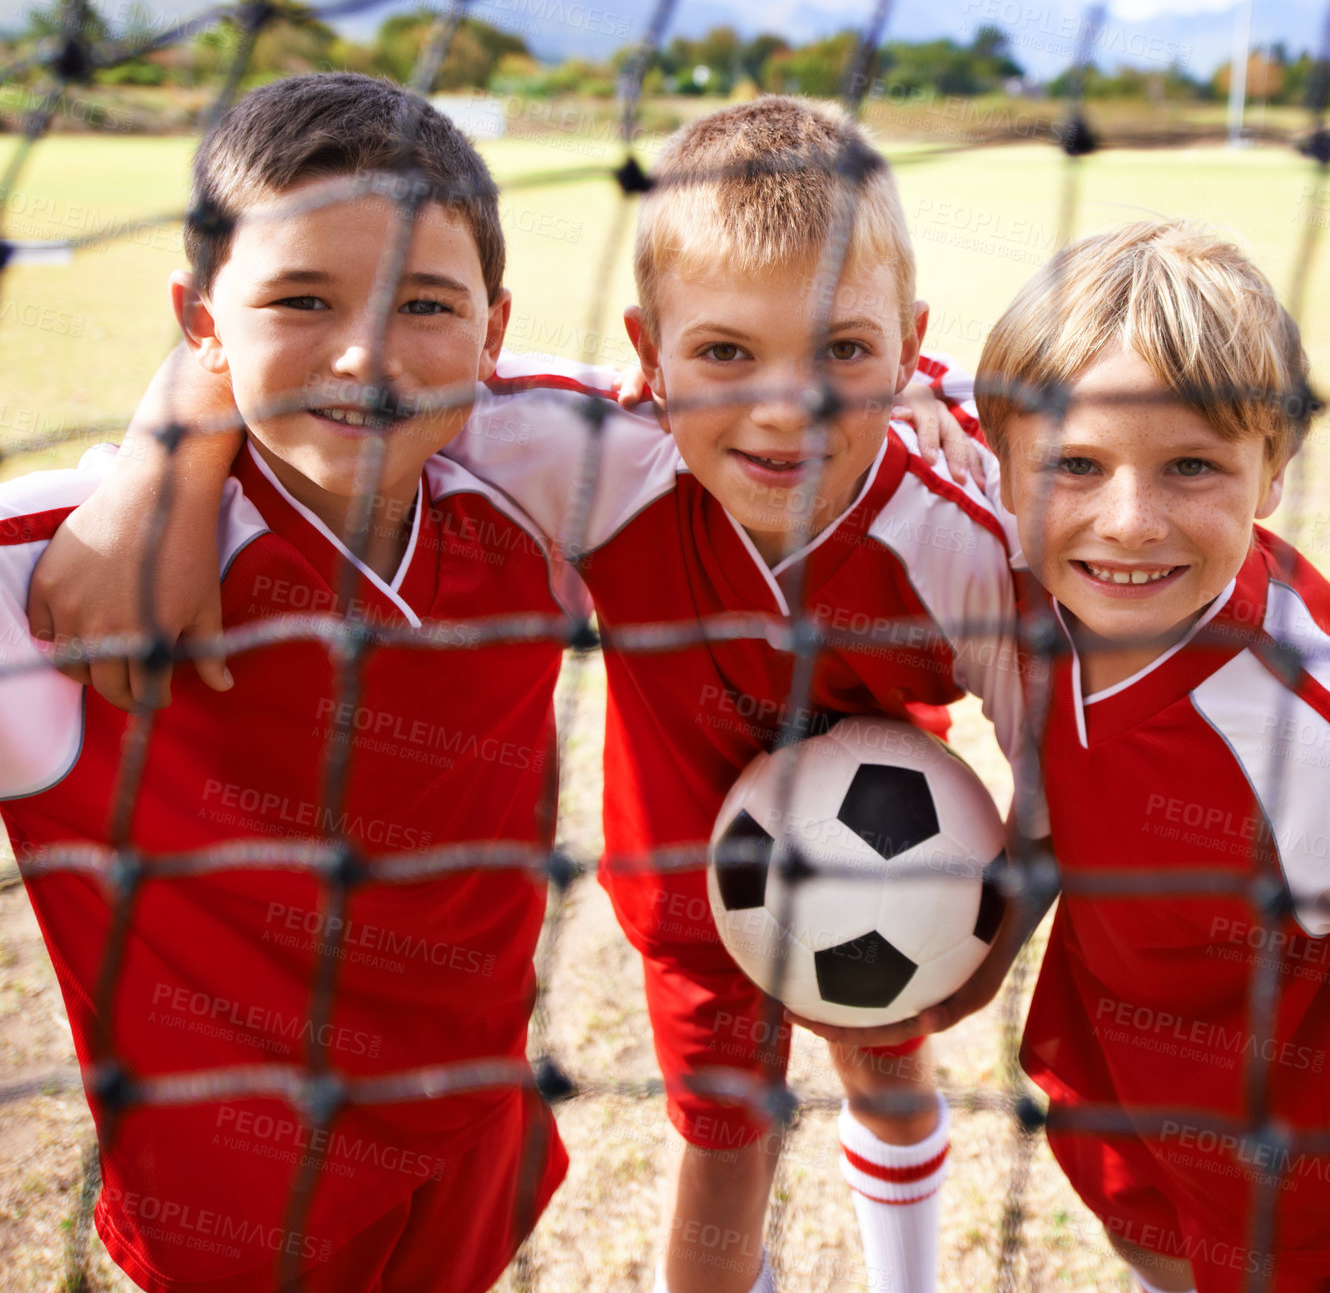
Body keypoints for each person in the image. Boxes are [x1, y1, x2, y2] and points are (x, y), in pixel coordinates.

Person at [32, 96, 1049, 1293]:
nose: (787, 408)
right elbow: (353, 375)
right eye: (725, 354)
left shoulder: (968, 541)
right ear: (651, 359)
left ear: (905, 342)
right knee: (725, 1133)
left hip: (890, 844)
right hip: (681, 857)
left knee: (885, 1065)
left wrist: (981, 953)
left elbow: (1053, 773)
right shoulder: (589, 452)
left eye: (845, 354)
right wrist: (162, 452)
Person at [2, 72, 569, 1292]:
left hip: (475, 1137)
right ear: (198, 318)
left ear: (494, 324)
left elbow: (790, 388)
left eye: (425, 304)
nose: (368, 356)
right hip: (233, 1215)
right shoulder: (53, 578)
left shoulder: (544, 483)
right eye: (300, 297)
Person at [972, 218, 1330, 1292]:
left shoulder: (1316, 734)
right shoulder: (1043, 581)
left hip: (1281, 1160)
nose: (1128, 522)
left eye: (1191, 466)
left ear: (1272, 472)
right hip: (1115, 1058)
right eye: (1074, 464)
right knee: (1139, 1237)